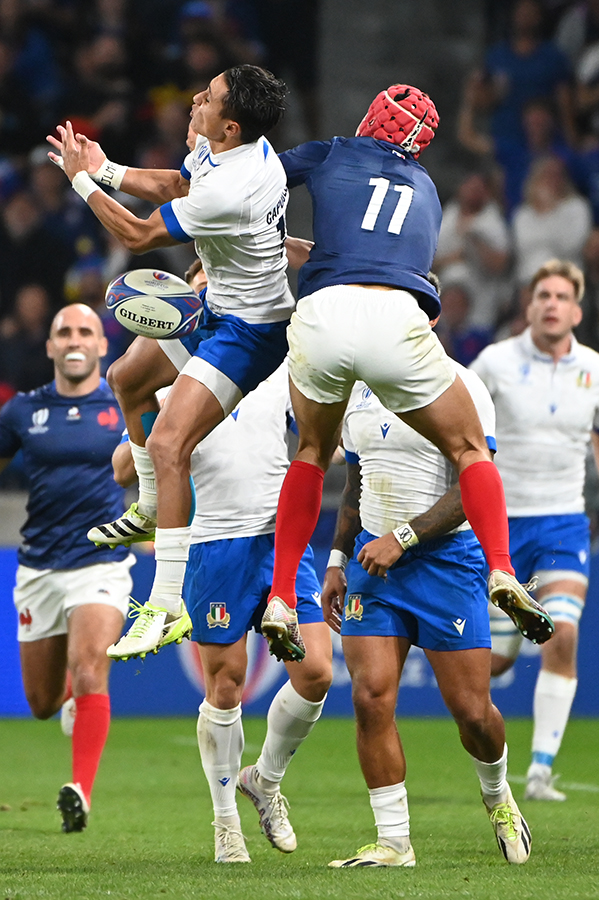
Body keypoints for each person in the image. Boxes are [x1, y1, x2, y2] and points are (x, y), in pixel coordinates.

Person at [259, 82, 554, 664]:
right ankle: (501, 568)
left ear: (372, 116)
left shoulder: (333, 150)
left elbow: (257, 182)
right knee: (470, 450)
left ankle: (281, 596)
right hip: (396, 319)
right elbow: (380, 261)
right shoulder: (427, 190)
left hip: (324, 313)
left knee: (311, 453)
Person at [47, 65, 297, 660]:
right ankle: (152, 506)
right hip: (220, 305)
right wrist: (107, 168)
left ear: (230, 127)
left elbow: (137, 236)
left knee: (167, 444)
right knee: (126, 377)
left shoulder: (233, 188)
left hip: (251, 331)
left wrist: (81, 182)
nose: (196, 97)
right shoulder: (232, 147)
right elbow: (178, 184)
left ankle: (165, 606)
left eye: (209, 97)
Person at [112, 361, 332, 863]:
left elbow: (319, 437)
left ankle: (265, 780)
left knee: (317, 672)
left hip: (280, 540)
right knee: (226, 684)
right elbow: (124, 469)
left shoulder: (278, 365)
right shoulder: (173, 381)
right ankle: (226, 823)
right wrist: (153, 421)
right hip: (212, 546)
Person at [321, 362, 532, 867]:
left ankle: (498, 795)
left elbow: (475, 485)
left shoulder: (461, 386)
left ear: (429, 322)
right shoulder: (357, 393)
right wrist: (337, 559)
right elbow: (355, 485)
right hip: (374, 563)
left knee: (473, 713)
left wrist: (404, 537)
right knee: (370, 697)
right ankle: (394, 842)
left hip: (447, 562)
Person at [0, 303, 134, 833]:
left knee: (88, 666)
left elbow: (168, 459)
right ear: (51, 346)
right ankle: (72, 698)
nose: (74, 339)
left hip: (101, 560)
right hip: (38, 566)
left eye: (85, 331)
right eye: (64, 332)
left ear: (102, 345)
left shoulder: (125, 403)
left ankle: (80, 790)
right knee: (39, 702)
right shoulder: (22, 411)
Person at [471, 258, 599, 801]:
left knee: (562, 633)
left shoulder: (593, 368)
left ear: (576, 310)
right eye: (543, 294)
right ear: (529, 306)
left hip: (562, 522)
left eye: (561, 296)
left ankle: (541, 771)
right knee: (493, 661)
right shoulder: (495, 362)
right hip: (498, 525)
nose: (551, 304)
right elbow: (459, 424)